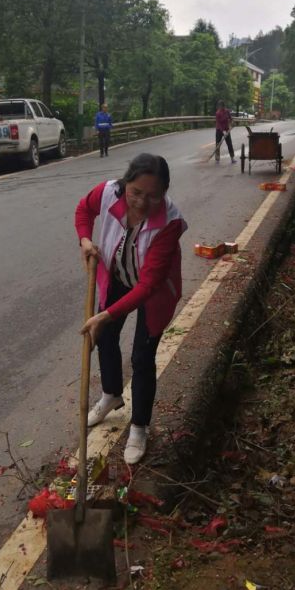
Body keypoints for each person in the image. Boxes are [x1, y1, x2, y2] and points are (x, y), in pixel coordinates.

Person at [74, 153, 187, 464]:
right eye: (136, 192)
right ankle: (111, 395)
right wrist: (85, 240)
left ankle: (139, 427)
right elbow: (84, 209)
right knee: (106, 339)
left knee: (142, 357)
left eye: (152, 196)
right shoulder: (109, 191)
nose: (141, 202)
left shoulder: (169, 222)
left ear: (164, 193)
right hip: (118, 277)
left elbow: (149, 285)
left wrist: (104, 315)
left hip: (153, 292)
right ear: (126, 184)